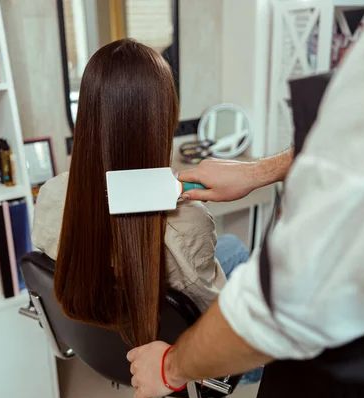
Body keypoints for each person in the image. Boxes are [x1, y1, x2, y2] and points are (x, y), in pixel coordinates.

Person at [127, 2, 364, 398]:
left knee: (232, 249)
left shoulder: (57, 196)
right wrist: (255, 172)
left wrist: (172, 365)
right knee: (232, 248)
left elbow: (285, 301)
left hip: (360, 346)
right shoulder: (192, 224)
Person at [31, 39, 229, 347]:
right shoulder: (188, 222)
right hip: (172, 356)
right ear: (163, 119)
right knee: (238, 253)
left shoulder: (53, 193)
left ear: (88, 115)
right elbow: (208, 318)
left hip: (103, 344)